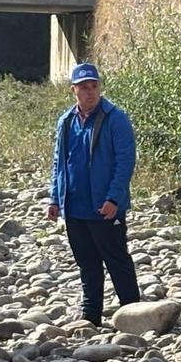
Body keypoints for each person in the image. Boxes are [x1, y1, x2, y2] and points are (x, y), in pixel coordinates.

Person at [46, 63, 141, 326]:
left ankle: (133, 312)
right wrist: (55, 198)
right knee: (86, 263)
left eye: (94, 86)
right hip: (74, 206)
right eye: (84, 87)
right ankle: (91, 315)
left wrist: (114, 198)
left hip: (104, 206)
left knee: (117, 259)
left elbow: (125, 161)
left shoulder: (115, 118)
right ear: (73, 90)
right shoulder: (66, 121)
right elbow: (58, 162)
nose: (90, 92)